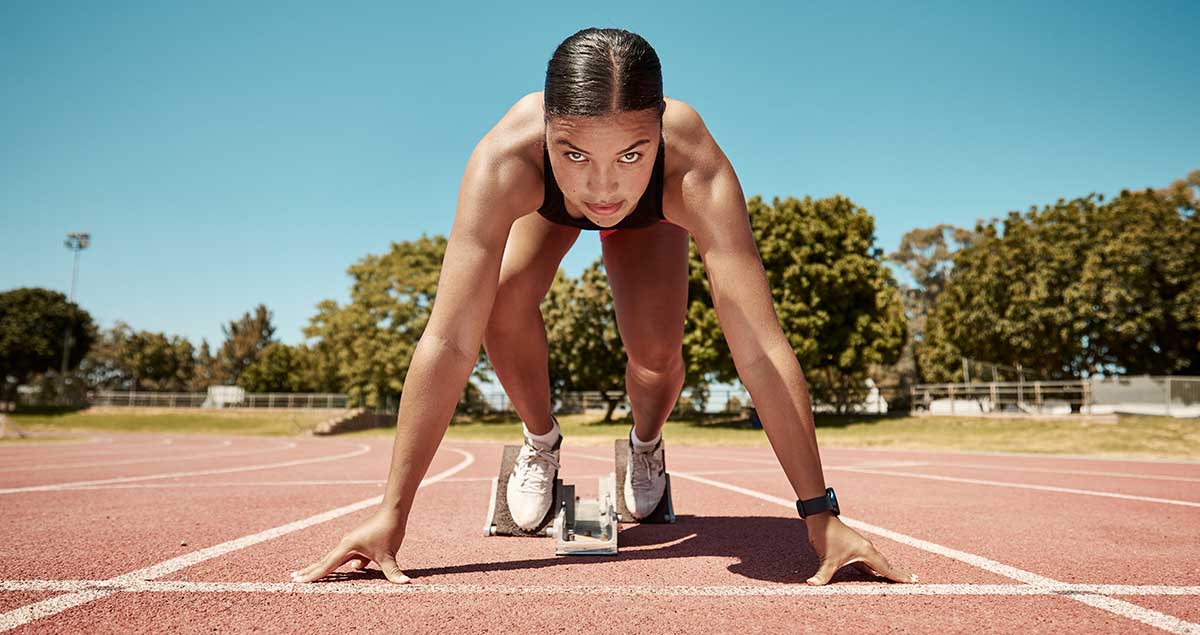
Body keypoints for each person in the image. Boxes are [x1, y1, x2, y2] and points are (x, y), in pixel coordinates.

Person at [291, 27, 917, 587]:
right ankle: (541, 441)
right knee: (500, 299)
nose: (602, 188)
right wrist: (390, 513)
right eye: (576, 154)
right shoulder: (505, 159)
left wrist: (819, 514)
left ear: (659, 134)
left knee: (655, 353)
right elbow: (448, 341)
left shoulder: (694, 166)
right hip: (545, 205)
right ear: (546, 134)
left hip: (654, 219)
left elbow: (759, 347)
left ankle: (645, 448)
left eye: (630, 154)